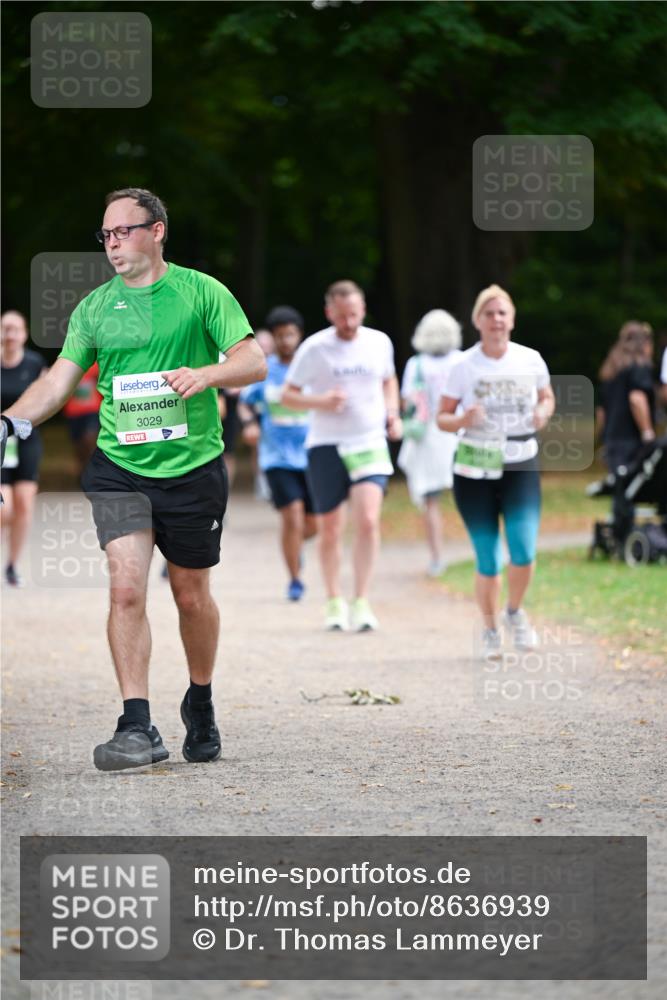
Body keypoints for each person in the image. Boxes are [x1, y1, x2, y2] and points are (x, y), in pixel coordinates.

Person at [1, 187, 266, 770]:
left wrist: (207, 374)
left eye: (123, 232)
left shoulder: (201, 292)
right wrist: (9, 421)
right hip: (119, 468)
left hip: (194, 469)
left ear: (157, 231)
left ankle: (200, 700)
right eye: (106, 236)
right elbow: (57, 381)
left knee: (191, 595)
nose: (113, 244)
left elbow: (254, 361)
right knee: (125, 588)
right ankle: (136, 724)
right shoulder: (95, 307)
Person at [438, 284, 555, 659]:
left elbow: (547, 396)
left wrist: (543, 412)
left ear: (513, 319)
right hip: (475, 466)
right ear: (477, 321)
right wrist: (461, 419)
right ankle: (489, 629)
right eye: (489, 313)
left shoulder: (530, 359)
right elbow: (441, 418)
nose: (496, 319)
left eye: (502, 312)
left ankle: (515, 612)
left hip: (519, 461)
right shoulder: (463, 366)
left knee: (523, 549)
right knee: (488, 557)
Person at [282, 280, 402, 631]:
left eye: (354, 315)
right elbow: (288, 396)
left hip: (369, 442)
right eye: (341, 316)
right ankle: (334, 600)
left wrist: (392, 413)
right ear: (328, 312)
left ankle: (361, 600)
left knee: (367, 520)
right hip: (326, 445)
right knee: (331, 528)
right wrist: (320, 402)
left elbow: (388, 381)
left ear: (362, 310)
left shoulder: (379, 342)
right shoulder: (315, 348)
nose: (348, 323)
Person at [239, 306, 316, 601]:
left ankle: (295, 546)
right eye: (280, 336)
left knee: (313, 525)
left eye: (291, 335)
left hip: (311, 455)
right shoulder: (265, 370)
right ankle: (295, 579)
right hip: (276, 457)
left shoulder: (311, 368)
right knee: (292, 518)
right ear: (273, 337)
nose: (286, 341)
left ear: (299, 335)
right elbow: (246, 402)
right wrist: (249, 424)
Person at [397, 309, 462, 576]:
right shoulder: (462, 360)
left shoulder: (417, 364)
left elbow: (406, 401)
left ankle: (437, 557)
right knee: (470, 494)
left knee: (430, 500)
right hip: (457, 434)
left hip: (428, 438)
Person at [597, 321, 656, 543]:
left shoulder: (611, 371)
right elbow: (637, 399)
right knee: (632, 487)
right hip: (629, 440)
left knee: (622, 489)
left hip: (613, 439)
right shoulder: (639, 368)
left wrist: (602, 440)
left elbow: (601, 412)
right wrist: (647, 432)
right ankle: (627, 537)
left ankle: (619, 536)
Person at [0, 310, 47, 586]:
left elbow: (45, 399)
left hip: (27, 441)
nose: (9, 334)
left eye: (15, 329)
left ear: (24, 334)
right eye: (5, 328)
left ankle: (13, 564)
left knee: (24, 504)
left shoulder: (34, 363)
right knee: (3, 509)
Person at [62, 361, 102, 473]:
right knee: (78, 445)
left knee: (89, 439)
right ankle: (83, 469)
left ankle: (93, 469)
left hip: (92, 410)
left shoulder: (97, 364)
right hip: (73, 412)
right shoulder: (66, 363)